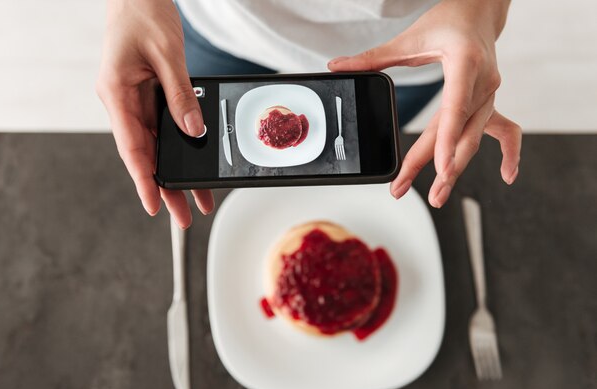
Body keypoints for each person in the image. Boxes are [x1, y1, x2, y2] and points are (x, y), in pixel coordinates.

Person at [97, 0, 522, 229]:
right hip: (224, 20)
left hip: (410, 44)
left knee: (371, 146)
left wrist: (483, 10)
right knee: (190, 126)